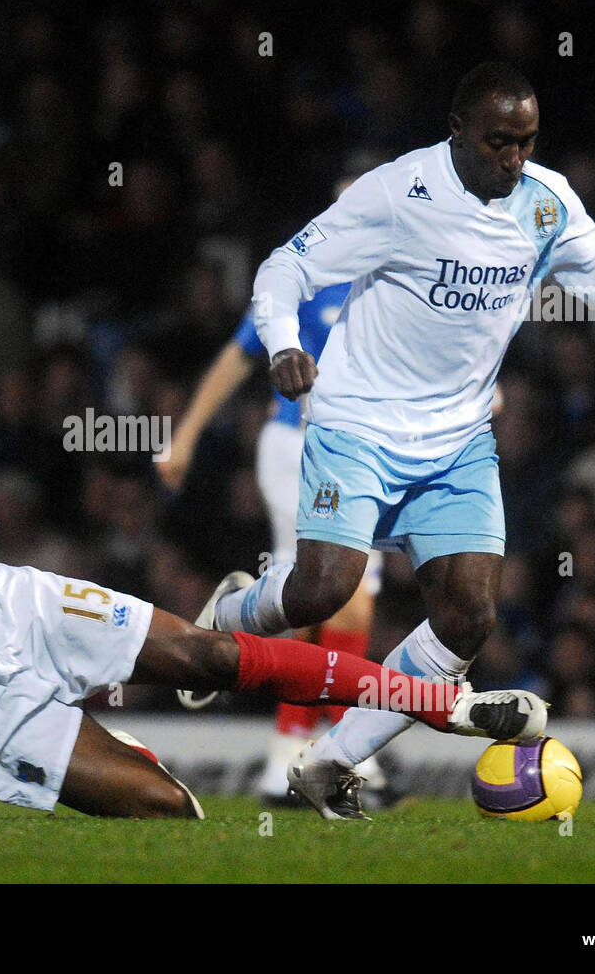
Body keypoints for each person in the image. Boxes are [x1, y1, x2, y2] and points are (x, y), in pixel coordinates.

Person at [201, 62, 595, 820]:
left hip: (459, 439)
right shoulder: (398, 193)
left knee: (468, 616)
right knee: (323, 589)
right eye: (499, 142)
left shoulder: (546, 201)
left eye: (526, 142)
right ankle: (233, 613)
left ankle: (331, 760)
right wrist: (280, 344)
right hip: (357, 423)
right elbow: (286, 267)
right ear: (458, 133)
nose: (514, 158)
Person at [0, 405, 548, 819]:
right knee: (170, 815)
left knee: (207, 655)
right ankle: (130, 752)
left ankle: (449, 704)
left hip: (6, 603)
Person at [157, 271, 393, 807]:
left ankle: (286, 763)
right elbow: (240, 354)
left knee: (318, 608)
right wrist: (187, 435)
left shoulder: (404, 275)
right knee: (342, 597)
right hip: (300, 444)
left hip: (369, 451)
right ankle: (354, 760)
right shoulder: (305, 275)